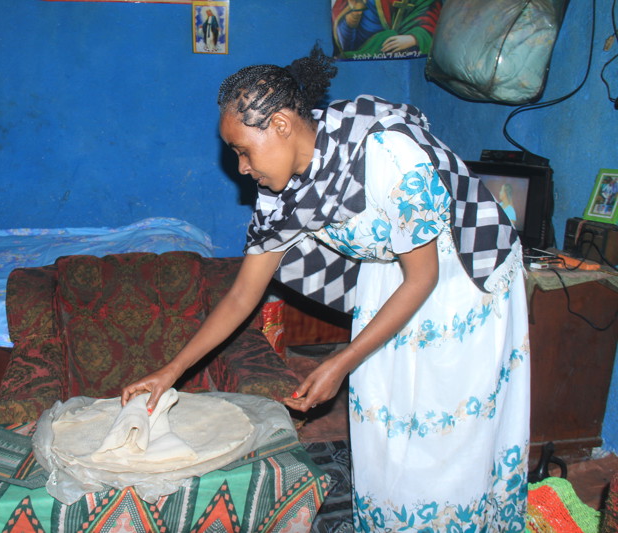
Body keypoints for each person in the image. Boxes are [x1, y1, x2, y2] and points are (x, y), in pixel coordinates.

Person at [122, 45, 530, 531]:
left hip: (457, 275)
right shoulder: (278, 193)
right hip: (390, 271)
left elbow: (424, 277)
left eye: (243, 150)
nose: (241, 168)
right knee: (384, 419)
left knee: (444, 429)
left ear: (280, 125)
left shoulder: (386, 152)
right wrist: (170, 372)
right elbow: (242, 295)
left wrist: (341, 361)